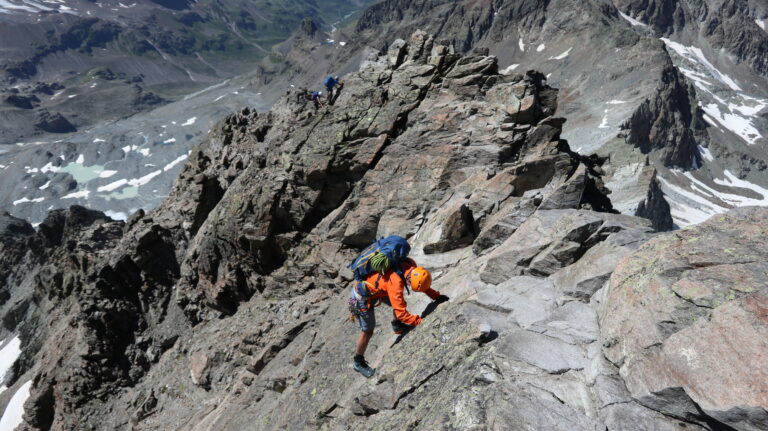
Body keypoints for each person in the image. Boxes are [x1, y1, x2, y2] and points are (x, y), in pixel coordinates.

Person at [350, 259, 449, 377]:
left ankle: (397, 326)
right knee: (367, 331)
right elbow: (401, 314)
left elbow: (421, 282)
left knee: (399, 303)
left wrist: (436, 296)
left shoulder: (411, 266)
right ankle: (358, 362)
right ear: (408, 281)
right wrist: (420, 322)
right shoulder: (396, 282)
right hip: (362, 296)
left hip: (379, 287)